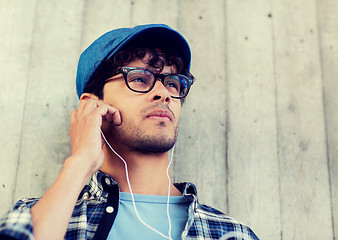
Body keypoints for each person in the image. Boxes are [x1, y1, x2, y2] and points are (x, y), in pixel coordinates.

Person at [0, 24, 259, 240]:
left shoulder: (231, 233)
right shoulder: (46, 216)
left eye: (172, 82)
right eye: (138, 78)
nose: (164, 93)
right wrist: (80, 163)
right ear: (92, 104)